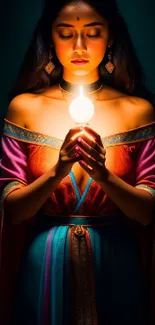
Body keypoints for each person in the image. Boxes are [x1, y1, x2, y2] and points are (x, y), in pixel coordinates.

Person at [0, 0, 155, 324]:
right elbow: (13, 212)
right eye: (66, 33)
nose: (79, 46)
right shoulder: (25, 109)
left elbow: (146, 213)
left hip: (116, 260)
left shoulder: (137, 111)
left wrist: (102, 173)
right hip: (44, 262)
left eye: (93, 32)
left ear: (111, 37)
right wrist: (59, 170)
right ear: (51, 38)